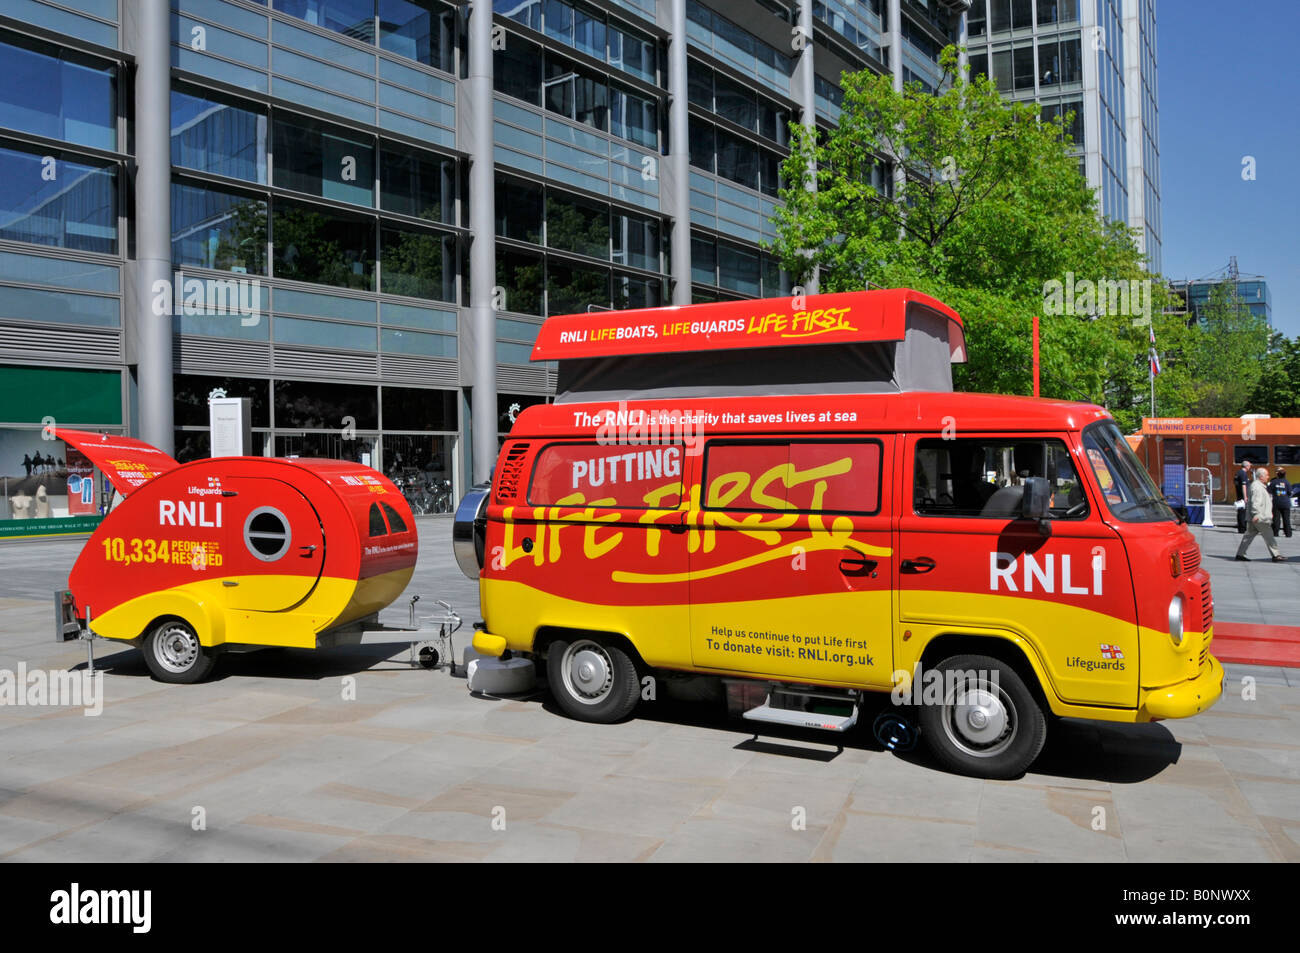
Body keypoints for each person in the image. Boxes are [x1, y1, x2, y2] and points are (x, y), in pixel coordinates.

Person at [1236, 466, 1284, 562]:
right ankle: (1276, 555)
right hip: (1260, 517)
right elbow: (1256, 502)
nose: (1268, 476)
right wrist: (1256, 514)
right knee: (1269, 535)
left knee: (1248, 536)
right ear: (1261, 476)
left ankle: (1240, 554)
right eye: (1266, 475)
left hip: (1254, 517)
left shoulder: (1256, 485)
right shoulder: (1257, 487)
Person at [1269, 466, 1294, 539]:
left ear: (1278, 474)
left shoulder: (1273, 482)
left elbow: (1269, 491)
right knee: (1286, 519)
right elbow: (1290, 493)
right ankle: (1288, 533)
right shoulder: (1287, 482)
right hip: (1285, 503)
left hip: (1276, 502)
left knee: (1276, 518)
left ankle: (1275, 532)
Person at [1233, 460, 1253, 533]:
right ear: (1246, 466)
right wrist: (1245, 497)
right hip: (1242, 496)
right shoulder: (1243, 473)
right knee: (1243, 512)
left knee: (1240, 512)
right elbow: (1243, 486)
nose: (1250, 467)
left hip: (1239, 495)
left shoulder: (1238, 473)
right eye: (1249, 465)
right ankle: (1242, 528)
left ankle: (1241, 527)